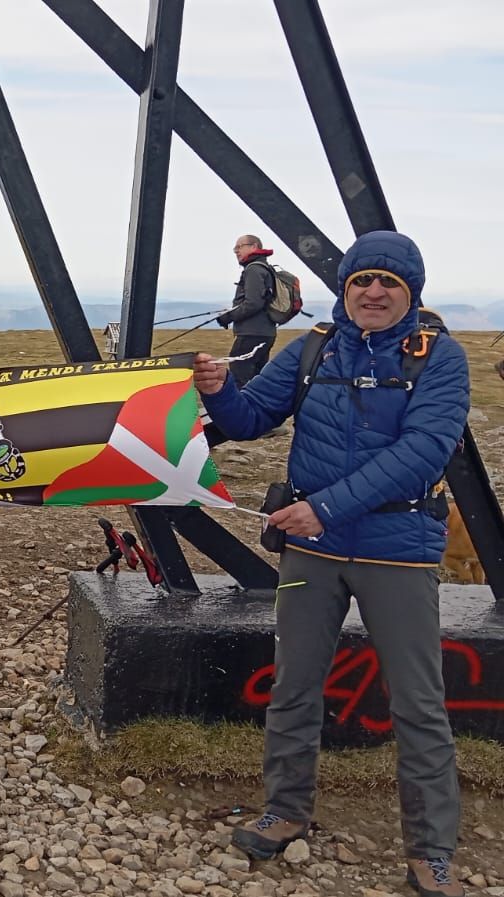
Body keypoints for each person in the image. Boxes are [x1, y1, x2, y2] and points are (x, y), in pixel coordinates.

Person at [194, 231, 468, 897]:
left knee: (418, 703)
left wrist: (324, 508)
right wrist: (221, 390)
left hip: (397, 551)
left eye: (388, 283)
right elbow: (253, 417)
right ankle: (285, 810)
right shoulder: (314, 347)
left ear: (411, 293)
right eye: (360, 281)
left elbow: (424, 451)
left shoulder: (441, 358)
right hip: (311, 552)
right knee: (294, 685)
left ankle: (431, 850)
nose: (373, 292)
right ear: (344, 289)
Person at [218, 235, 281, 386]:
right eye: (235, 248)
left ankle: (243, 402)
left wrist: (228, 316)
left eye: (240, 247)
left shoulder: (254, 269)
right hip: (265, 332)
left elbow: (253, 303)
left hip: (252, 333)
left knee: (240, 376)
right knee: (256, 380)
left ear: (254, 247)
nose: (236, 251)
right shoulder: (265, 268)